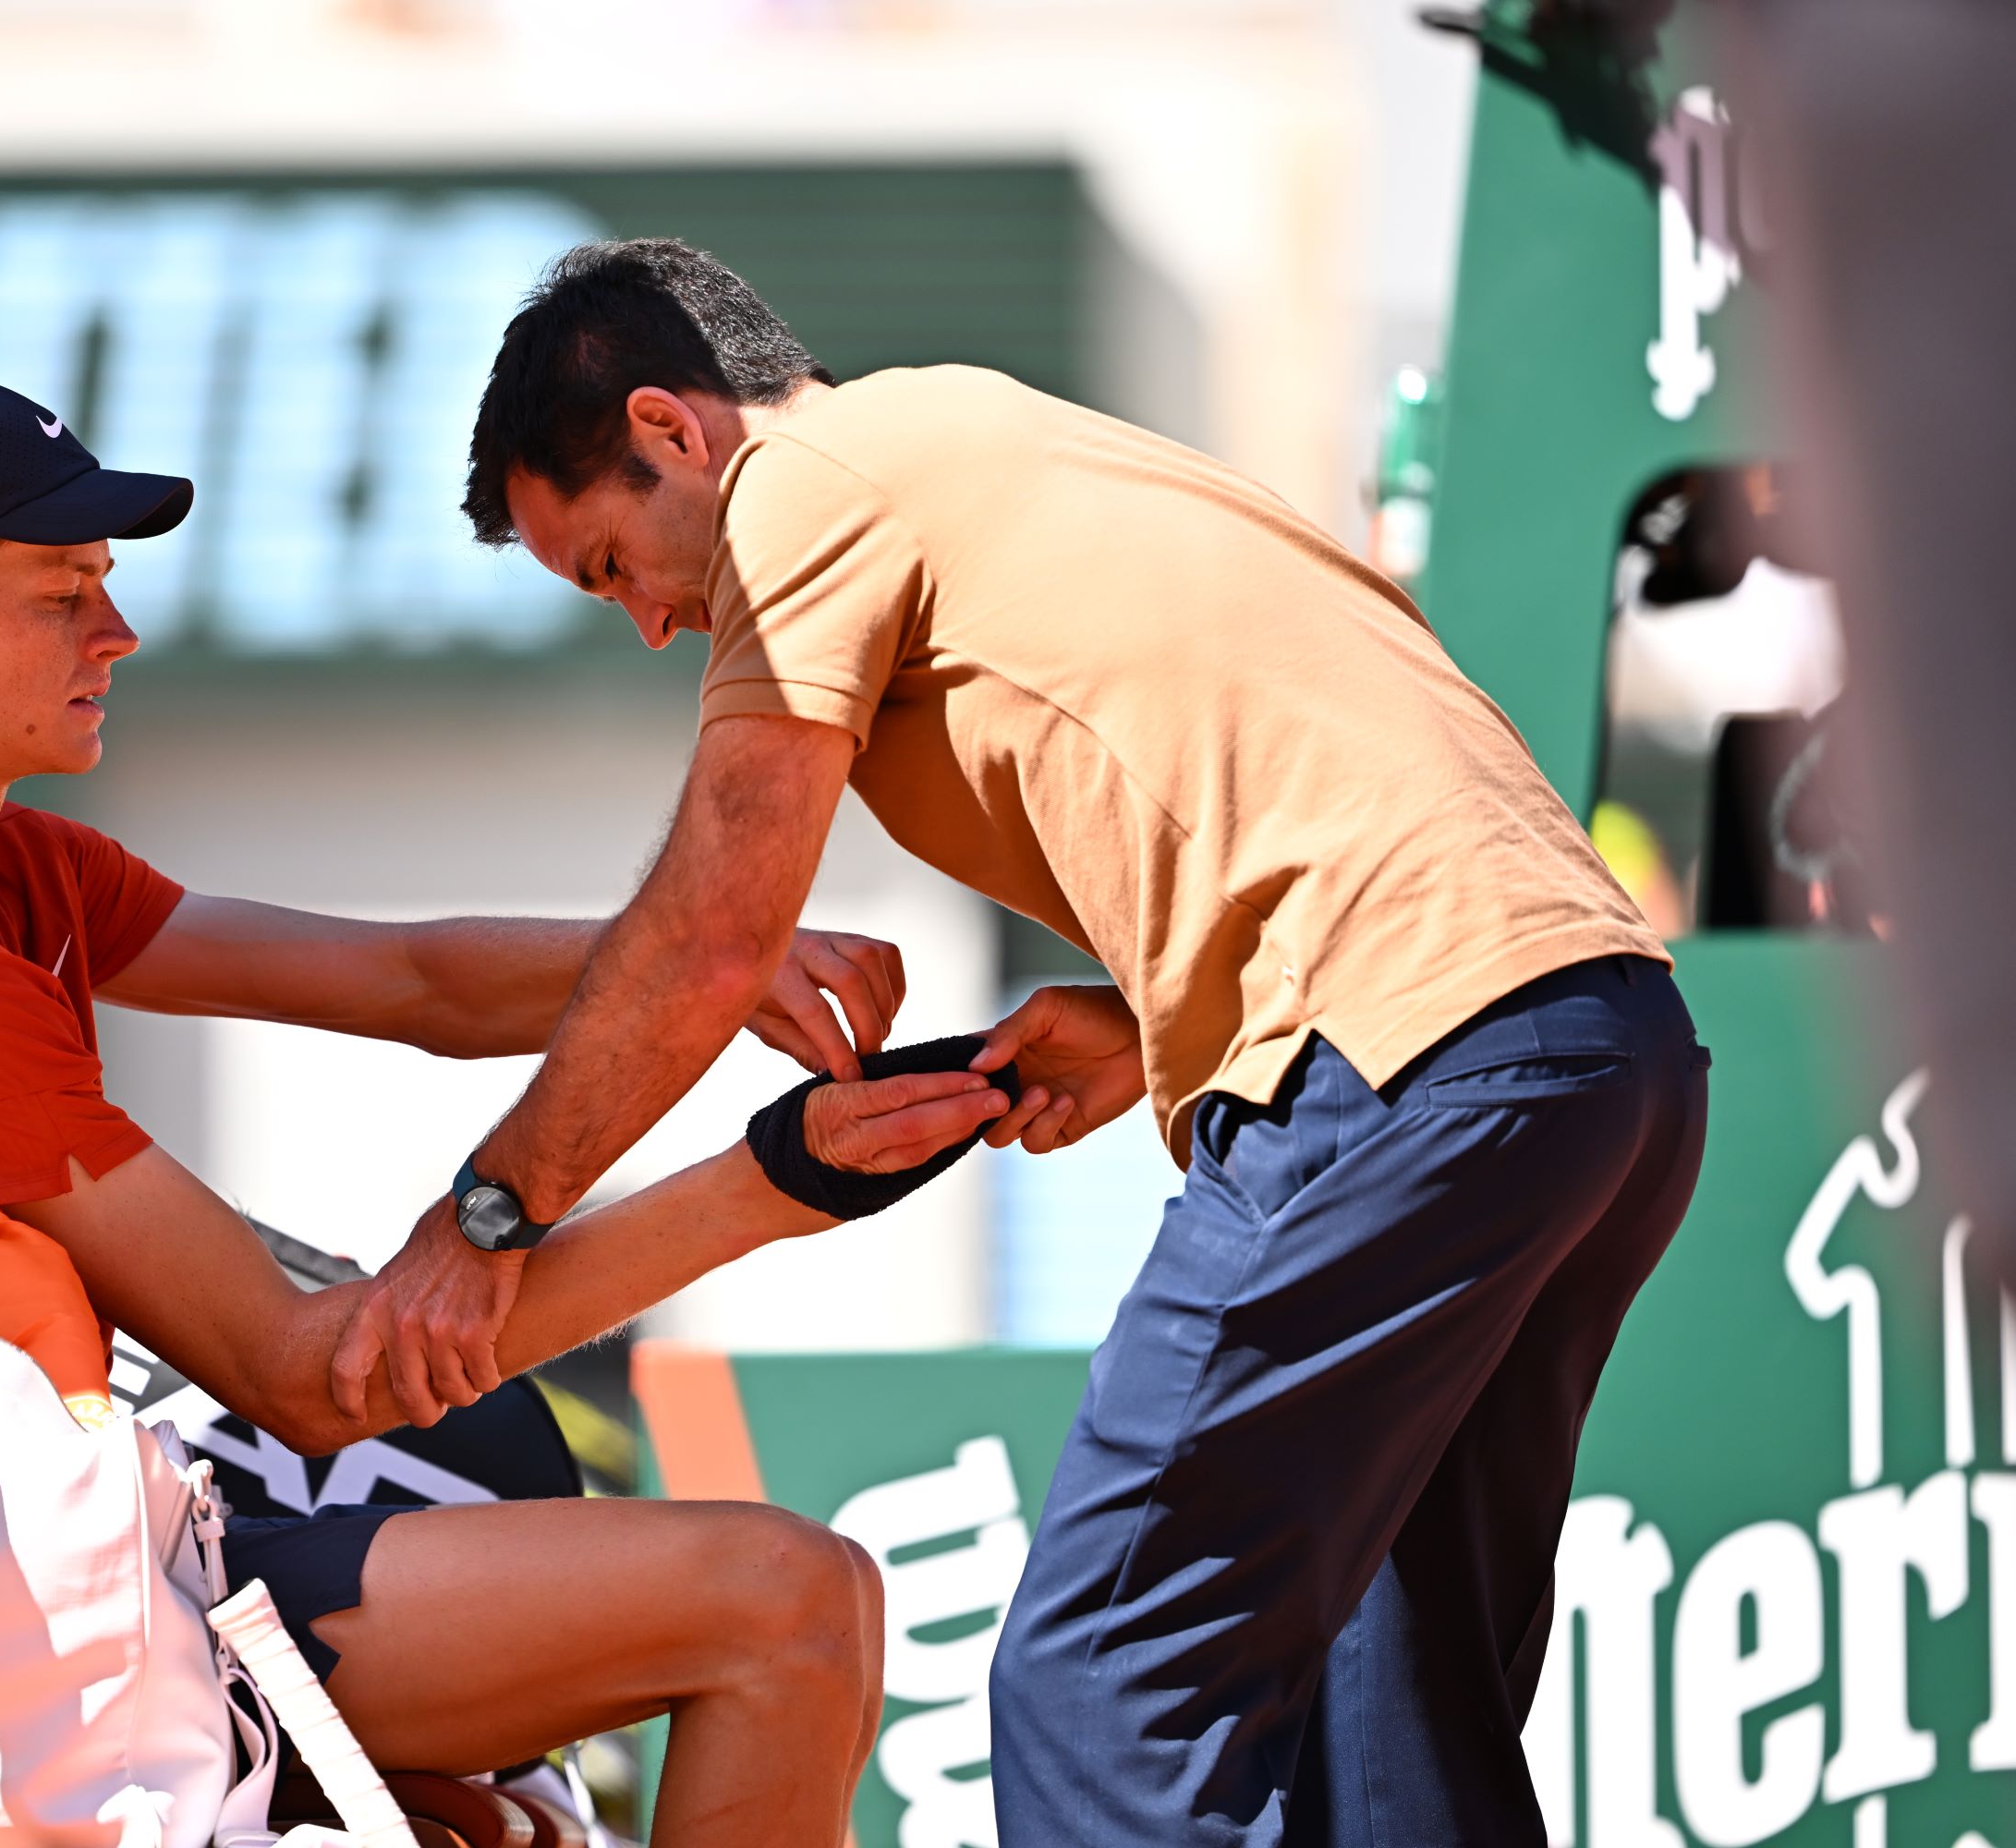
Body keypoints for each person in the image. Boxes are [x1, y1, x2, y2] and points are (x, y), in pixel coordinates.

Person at [333, 240, 1714, 1845]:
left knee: (1103, 1684)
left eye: (611, 565)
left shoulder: (809, 483)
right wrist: (1154, 1016)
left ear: (674, 428)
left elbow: (713, 933)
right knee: (1390, 1705)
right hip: (1592, 1052)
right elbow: (1351, 767)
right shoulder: (1020, 441)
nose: (648, 625)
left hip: (1390, 1072)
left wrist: (490, 1216)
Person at [0, 373, 1015, 1846]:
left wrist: (713, 962)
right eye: (61, 595)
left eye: (107, 586)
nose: (119, 631)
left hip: (40, 1586)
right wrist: (773, 1185)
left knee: (767, 1621)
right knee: (788, 1602)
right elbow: (311, 1378)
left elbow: (405, 979)